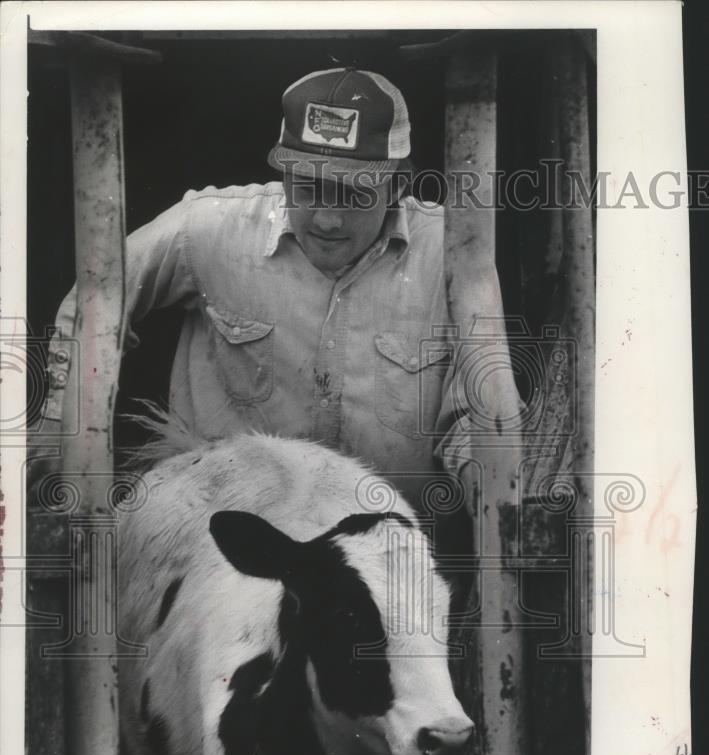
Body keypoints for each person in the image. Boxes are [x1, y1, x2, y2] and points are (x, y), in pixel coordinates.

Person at [45, 66, 515, 521]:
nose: (328, 219)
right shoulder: (208, 228)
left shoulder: (453, 254)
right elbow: (97, 295)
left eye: (353, 194)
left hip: (387, 544)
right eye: (309, 188)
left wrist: (496, 490)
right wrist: (55, 429)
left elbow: (477, 415)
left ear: (396, 182)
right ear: (284, 173)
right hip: (220, 537)